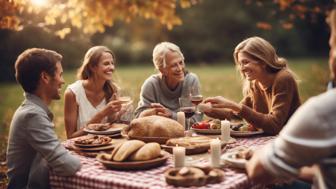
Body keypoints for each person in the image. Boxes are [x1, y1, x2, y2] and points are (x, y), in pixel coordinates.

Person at [7, 48, 81, 189]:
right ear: (45, 77)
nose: (63, 81)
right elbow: (68, 166)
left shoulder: (32, 110)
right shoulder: (32, 115)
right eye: (60, 74)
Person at [204, 36, 301, 135]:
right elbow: (236, 115)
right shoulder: (255, 82)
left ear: (263, 61)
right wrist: (208, 109)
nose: (241, 69)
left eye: (245, 62)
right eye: (240, 64)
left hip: (291, 139)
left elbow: (274, 125)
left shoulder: (283, 79)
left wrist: (234, 106)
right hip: (269, 138)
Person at [246, 89, 336, 188]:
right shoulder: (253, 85)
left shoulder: (323, 109)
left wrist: (261, 153)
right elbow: (320, 170)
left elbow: (257, 172)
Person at [64, 46, 130, 139]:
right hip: (81, 148)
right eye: (106, 63)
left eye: (112, 63)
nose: (111, 67)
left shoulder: (113, 90)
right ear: (92, 67)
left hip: (107, 145)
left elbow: (112, 127)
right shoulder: (73, 93)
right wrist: (102, 114)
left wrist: (114, 115)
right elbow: (71, 137)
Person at [134, 42, 202, 125]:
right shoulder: (151, 85)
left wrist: (171, 115)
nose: (180, 68)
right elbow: (138, 119)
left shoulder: (191, 80)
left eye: (181, 63)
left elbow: (196, 121)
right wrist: (154, 111)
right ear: (162, 70)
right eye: (174, 65)